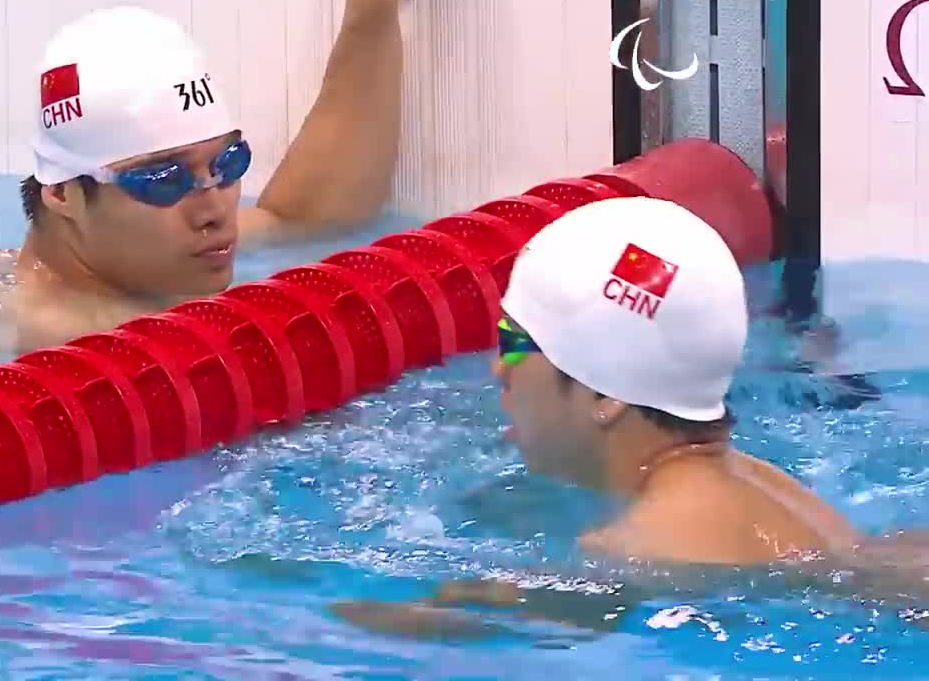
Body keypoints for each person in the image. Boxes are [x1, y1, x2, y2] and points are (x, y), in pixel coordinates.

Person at [331, 196, 927, 638]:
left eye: (514, 341)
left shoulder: (633, 552)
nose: (497, 369)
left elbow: (440, 630)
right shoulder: (765, 488)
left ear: (605, 392)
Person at [0, 0, 418, 355]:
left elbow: (303, 215)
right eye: (163, 179)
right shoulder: (65, 342)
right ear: (63, 194)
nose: (214, 210)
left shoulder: (139, 256)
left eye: (227, 164)